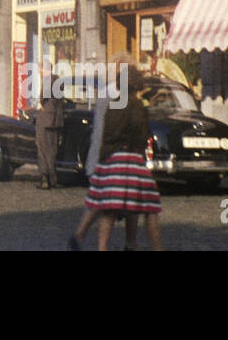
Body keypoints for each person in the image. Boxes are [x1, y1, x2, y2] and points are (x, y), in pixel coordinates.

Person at [69, 55, 163, 251]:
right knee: (149, 205)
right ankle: (154, 248)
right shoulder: (136, 106)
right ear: (137, 84)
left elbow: (105, 133)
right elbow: (142, 135)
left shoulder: (113, 103)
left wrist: (102, 159)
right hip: (131, 159)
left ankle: (101, 247)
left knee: (107, 208)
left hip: (110, 159)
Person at [34, 81, 65, 189]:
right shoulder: (59, 82)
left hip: (45, 120)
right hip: (56, 122)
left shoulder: (48, 81)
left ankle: (44, 179)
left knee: (42, 150)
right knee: (52, 150)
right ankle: (53, 178)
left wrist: (40, 104)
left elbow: (42, 100)